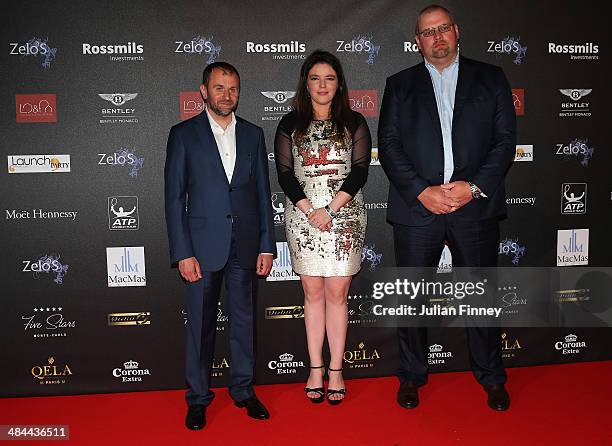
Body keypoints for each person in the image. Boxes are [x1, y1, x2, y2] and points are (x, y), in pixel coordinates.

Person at [378, 5, 516, 411]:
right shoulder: (400, 84)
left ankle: (492, 377)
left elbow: (505, 141)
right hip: (417, 208)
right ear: (417, 40)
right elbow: (388, 145)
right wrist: (423, 192)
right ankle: (411, 377)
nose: (436, 38)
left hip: (473, 207)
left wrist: (473, 188)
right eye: (427, 32)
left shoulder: (490, 78)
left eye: (442, 29)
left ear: (456, 32)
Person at [165, 62, 276, 430]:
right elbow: (173, 199)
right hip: (201, 247)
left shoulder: (253, 135)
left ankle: (243, 391)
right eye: (219, 88)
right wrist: (183, 251)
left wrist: (266, 245)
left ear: (239, 92)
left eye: (232, 88)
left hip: (244, 245)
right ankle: (198, 399)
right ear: (203, 91)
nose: (226, 95)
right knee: (200, 325)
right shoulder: (183, 135)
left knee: (244, 323)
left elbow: (263, 194)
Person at [275, 50, 371, 405]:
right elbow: (285, 174)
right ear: (306, 83)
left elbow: (360, 171)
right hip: (303, 220)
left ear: (339, 83)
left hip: (344, 217)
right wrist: (310, 210)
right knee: (312, 295)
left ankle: (336, 369)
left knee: (338, 295)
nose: (322, 85)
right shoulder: (289, 123)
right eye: (315, 78)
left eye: (329, 78)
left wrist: (330, 209)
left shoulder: (355, 121)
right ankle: (315, 368)